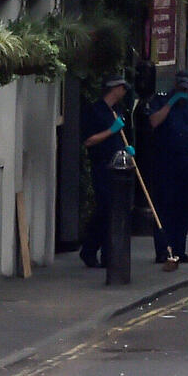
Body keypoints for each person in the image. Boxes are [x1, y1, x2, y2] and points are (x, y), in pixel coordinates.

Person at [145, 70, 188, 264]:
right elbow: (153, 121)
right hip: (165, 163)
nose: (183, 90)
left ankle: (179, 249)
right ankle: (163, 250)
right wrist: (170, 104)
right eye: (181, 87)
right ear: (175, 85)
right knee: (164, 206)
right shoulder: (160, 100)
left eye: (186, 87)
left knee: (184, 208)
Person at [80, 75, 134, 268]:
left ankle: (108, 255)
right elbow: (89, 140)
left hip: (118, 168)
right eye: (122, 88)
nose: (125, 92)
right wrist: (111, 130)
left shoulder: (118, 110)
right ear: (114, 88)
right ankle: (89, 249)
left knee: (115, 211)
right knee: (105, 209)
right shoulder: (95, 111)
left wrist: (126, 149)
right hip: (102, 165)